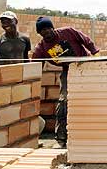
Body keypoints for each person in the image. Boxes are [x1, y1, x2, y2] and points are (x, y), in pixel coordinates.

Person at [31, 16, 99, 148]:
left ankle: (91, 132)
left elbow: (87, 41)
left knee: (92, 97)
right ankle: (61, 138)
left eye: (48, 29)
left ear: (52, 28)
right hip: (68, 70)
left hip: (86, 65)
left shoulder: (68, 32)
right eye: (42, 32)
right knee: (64, 101)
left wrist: (96, 56)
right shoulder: (42, 48)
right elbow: (35, 66)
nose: (46, 33)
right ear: (39, 33)